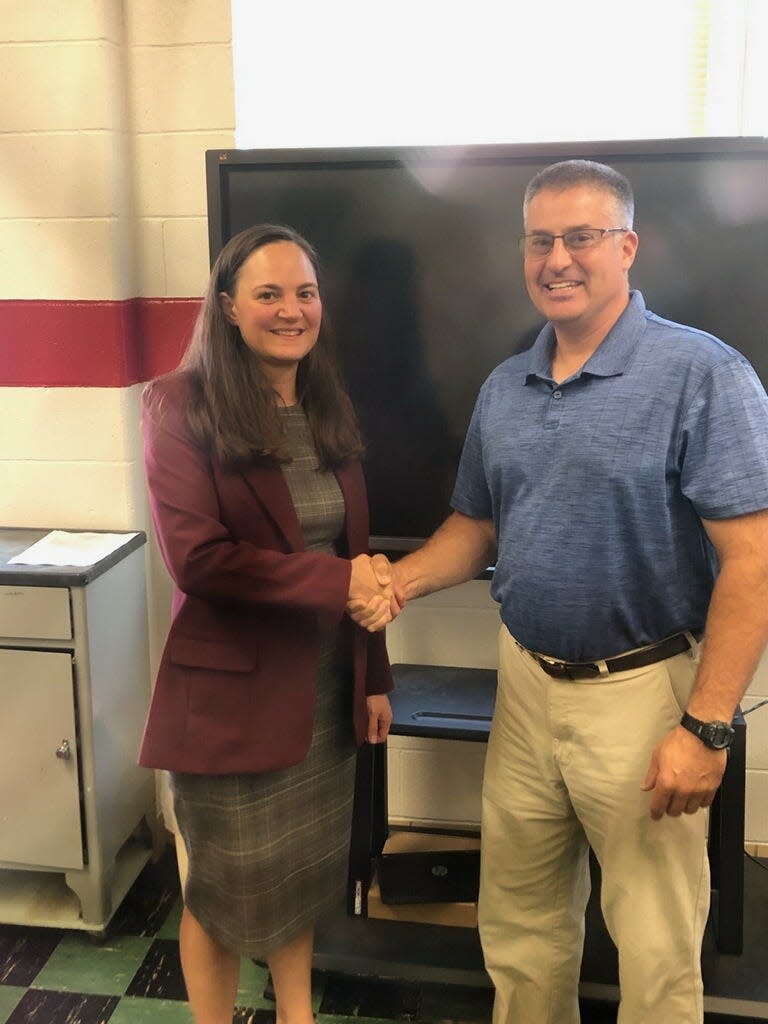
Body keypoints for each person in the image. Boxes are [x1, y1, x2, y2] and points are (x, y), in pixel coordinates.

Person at [362, 160, 768, 1024]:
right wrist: (399, 582)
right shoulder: (506, 385)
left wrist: (707, 728)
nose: (558, 259)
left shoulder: (703, 374)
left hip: (641, 696)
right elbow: (477, 528)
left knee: (655, 950)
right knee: (521, 929)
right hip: (525, 693)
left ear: (628, 245)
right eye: (540, 240)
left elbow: (755, 562)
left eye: (581, 237)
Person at [139, 223, 395, 1024]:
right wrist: (341, 583)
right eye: (269, 293)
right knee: (220, 893)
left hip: (323, 694)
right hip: (230, 705)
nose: (292, 309)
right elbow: (202, 561)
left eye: (306, 292)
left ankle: (296, 1015)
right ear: (227, 307)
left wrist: (376, 677)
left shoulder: (324, 402)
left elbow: (355, 551)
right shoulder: (178, 404)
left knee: (303, 880)